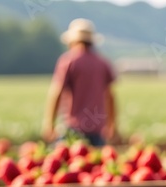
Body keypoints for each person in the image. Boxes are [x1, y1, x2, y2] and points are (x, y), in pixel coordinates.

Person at [42, 18, 118, 147]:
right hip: (97, 129)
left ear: (72, 41)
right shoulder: (103, 63)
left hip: (73, 128)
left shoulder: (68, 61)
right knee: (95, 165)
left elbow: (57, 92)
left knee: (68, 164)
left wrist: (49, 124)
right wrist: (112, 125)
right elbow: (110, 96)